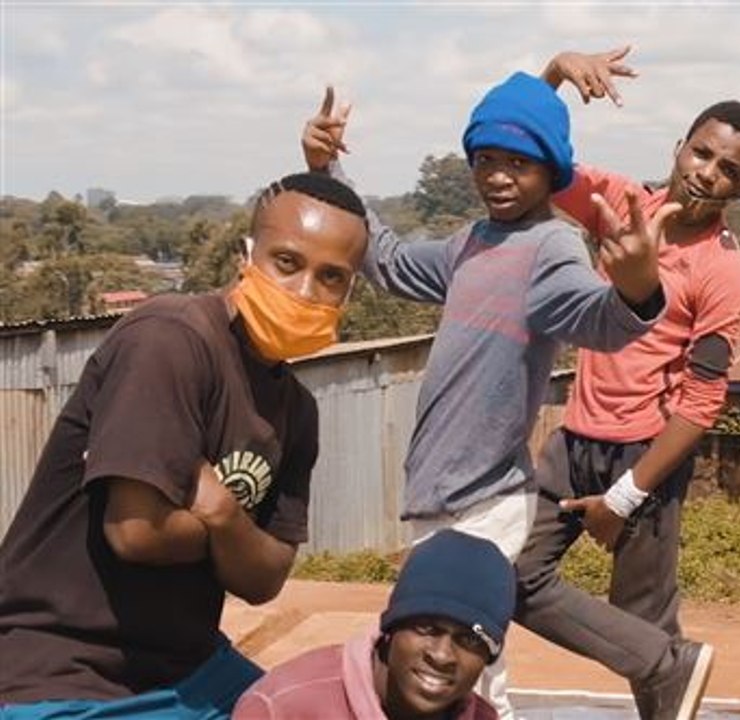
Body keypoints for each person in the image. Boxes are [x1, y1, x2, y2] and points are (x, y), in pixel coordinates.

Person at [302, 73, 672, 717]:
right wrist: (328, 171)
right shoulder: (472, 242)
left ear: (550, 169)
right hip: (439, 493)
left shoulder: (549, 247)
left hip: (485, 499)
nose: (499, 176)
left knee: (460, 662)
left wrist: (638, 288)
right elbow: (385, 259)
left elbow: (600, 320)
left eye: (519, 163)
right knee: (439, 662)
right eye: (487, 160)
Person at [0, 173, 369, 719]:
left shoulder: (298, 410)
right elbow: (135, 531)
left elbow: (265, 581)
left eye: (330, 277)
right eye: (287, 263)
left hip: (188, 665)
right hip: (61, 668)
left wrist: (223, 515)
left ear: (350, 290)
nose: (303, 291)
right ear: (246, 255)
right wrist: (242, 543)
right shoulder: (169, 340)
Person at [511, 47, 740, 720]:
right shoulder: (618, 206)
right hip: (571, 443)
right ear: (679, 146)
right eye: (702, 153)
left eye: (727, 171)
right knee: (509, 576)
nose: (706, 173)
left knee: (642, 618)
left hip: (643, 459)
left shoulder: (721, 271)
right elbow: (528, 151)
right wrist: (555, 75)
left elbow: (703, 398)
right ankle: (667, 662)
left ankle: (665, 666)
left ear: (738, 191)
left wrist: (626, 497)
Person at [233, 529, 514, 720]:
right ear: (391, 628)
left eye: (469, 640)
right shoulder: (283, 708)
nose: (441, 655)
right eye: (427, 628)